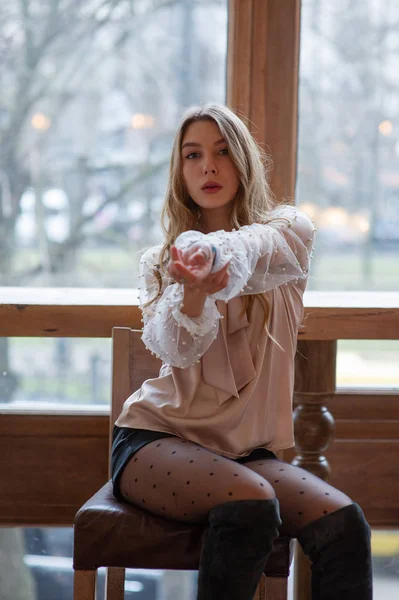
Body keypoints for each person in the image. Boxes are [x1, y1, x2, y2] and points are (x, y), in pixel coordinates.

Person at [111, 104, 372, 600]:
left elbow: (248, 249)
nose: (208, 166)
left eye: (223, 151)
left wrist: (210, 256)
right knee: (252, 505)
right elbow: (177, 348)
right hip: (155, 440)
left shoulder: (289, 233)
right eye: (193, 155)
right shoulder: (160, 263)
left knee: (344, 525)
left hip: (246, 454)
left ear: (245, 161)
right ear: (179, 170)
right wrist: (192, 288)